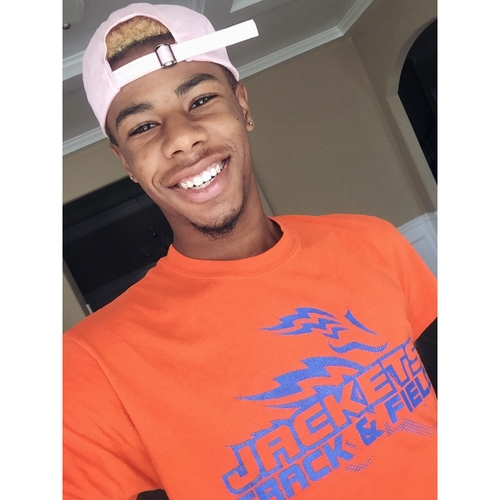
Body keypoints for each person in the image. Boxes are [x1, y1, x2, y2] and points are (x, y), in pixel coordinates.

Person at [63, 3, 437, 499]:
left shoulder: (373, 240)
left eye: (200, 100)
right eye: (142, 127)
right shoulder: (93, 363)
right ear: (126, 161)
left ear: (242, 106)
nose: (182, 138)